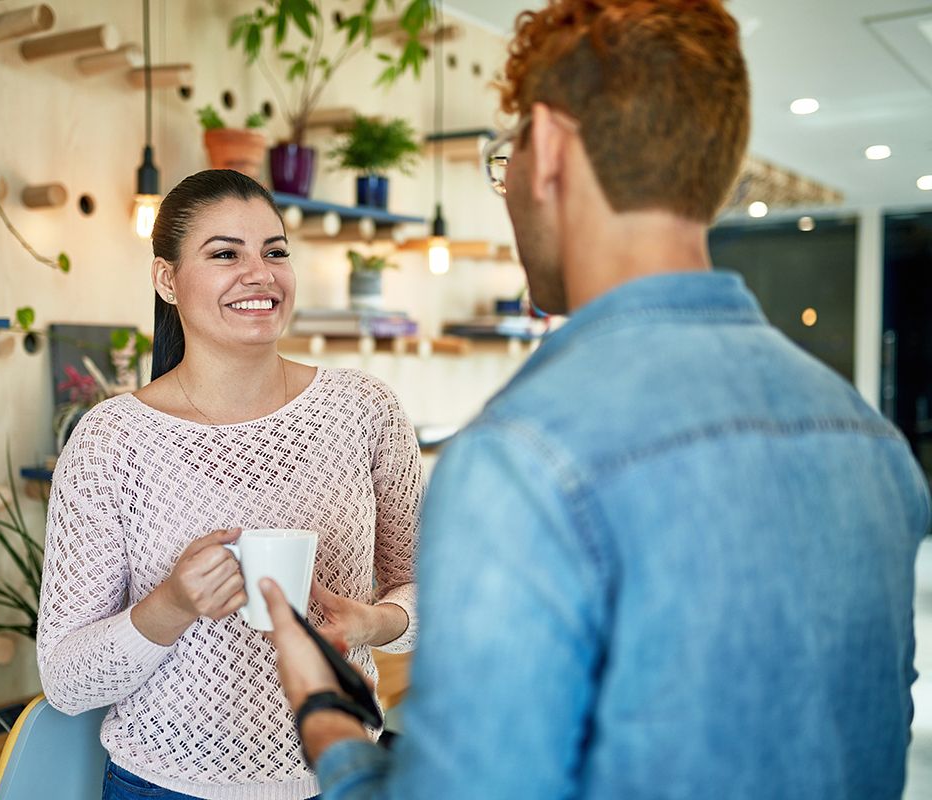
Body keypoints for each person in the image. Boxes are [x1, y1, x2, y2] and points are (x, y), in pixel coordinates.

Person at [263, 2, 931, 798]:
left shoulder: (524, 455)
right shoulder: (869, 439)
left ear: (546, 148)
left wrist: (325, 717)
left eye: (502, 157)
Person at [37, 170, 423, 800]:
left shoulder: (364, 409)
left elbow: (423, 583)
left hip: (342, 773)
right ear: (167, 279)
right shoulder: (110, 441)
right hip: (162, 786)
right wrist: (172, 606)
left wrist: (373, 623)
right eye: (225, 254)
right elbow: (66, 680)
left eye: (275, 252)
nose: (261, 274)